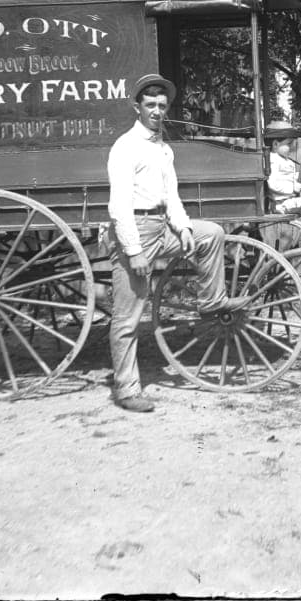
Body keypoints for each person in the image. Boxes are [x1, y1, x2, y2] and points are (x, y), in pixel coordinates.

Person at [106, 73, 247, 413]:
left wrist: (183, 228)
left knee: (210, 232)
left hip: (161, 224)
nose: (156, 111)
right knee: (128, 318)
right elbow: (119, 205)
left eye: (161, 105)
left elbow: (171, 196)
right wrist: (134, 250)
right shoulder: (126, 147)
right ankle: (126, 390)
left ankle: (212, 301)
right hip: (135, 231)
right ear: (137, 107)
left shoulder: (163, 148)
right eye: (150, 105)